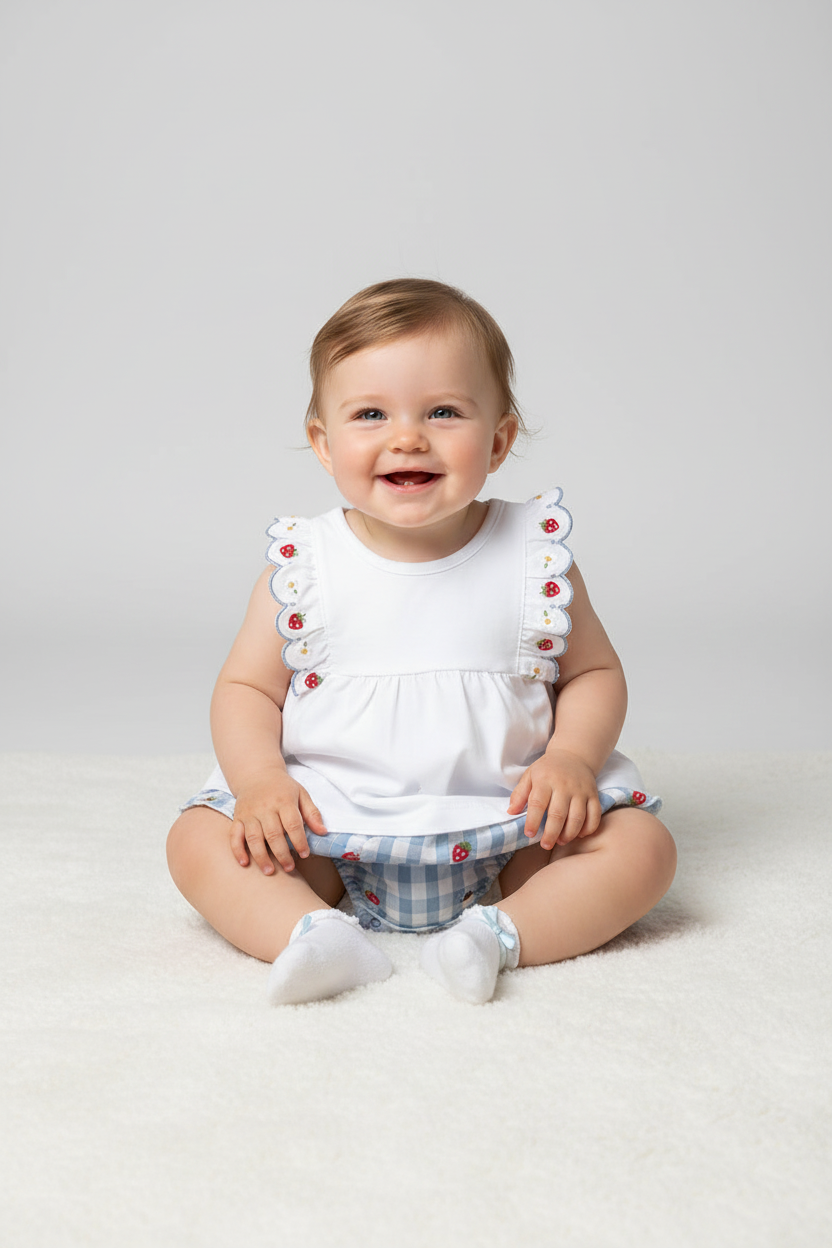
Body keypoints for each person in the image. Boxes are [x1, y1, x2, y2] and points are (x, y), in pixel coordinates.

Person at [166, 278, 676, 1006]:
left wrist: (569, 758)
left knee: (642, 850)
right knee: (196, 842)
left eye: (443, 412)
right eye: (370, 414)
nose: (407, 437)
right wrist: (259, 782)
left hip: (511, 827)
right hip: (329, 829)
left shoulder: (534, 558)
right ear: (324, 444)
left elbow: (594, 673)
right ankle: (313, 933)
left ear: (498, 441)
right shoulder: (305, 567)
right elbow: (246, 689)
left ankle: (498, 934)